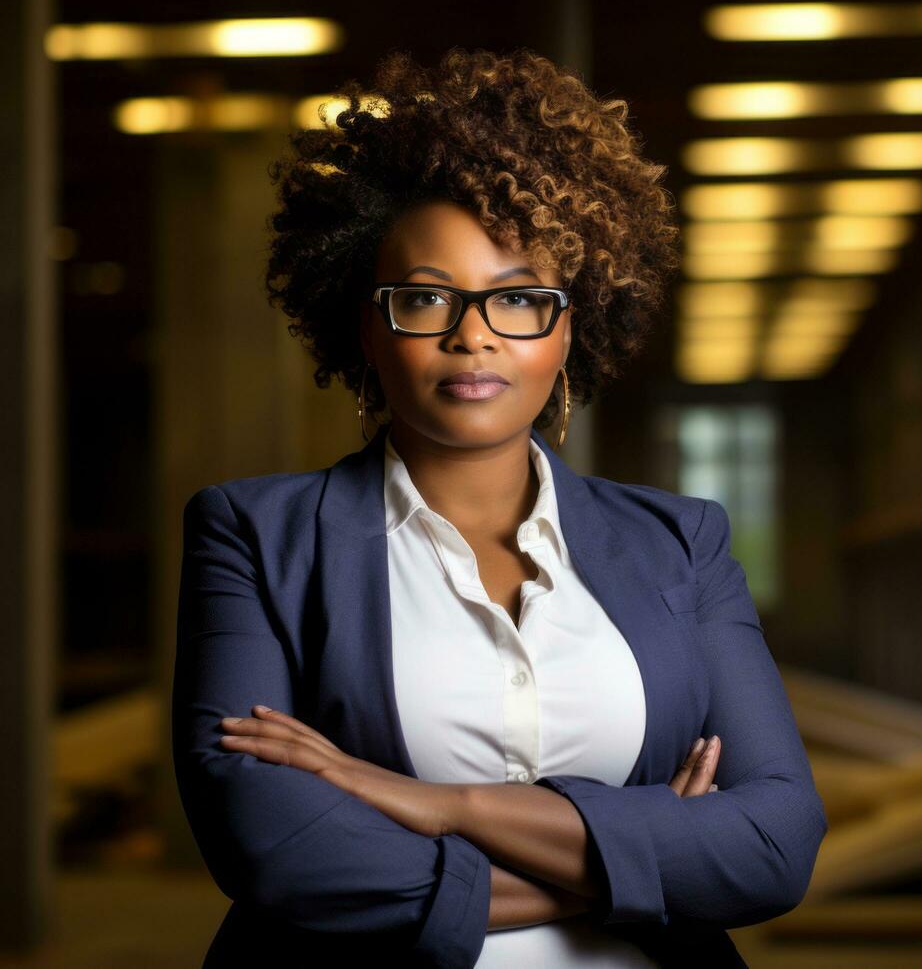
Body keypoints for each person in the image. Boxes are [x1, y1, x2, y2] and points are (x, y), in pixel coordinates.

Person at [171, 47, 827, 968]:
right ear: (367, 324)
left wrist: (436, 801)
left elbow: (771, 843)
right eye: (426, 297)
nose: (471, 334)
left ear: (569, 327)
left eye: (518, 299)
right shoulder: (256, 536)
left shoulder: (683, 543)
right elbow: (278, 852)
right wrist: (641, 861)